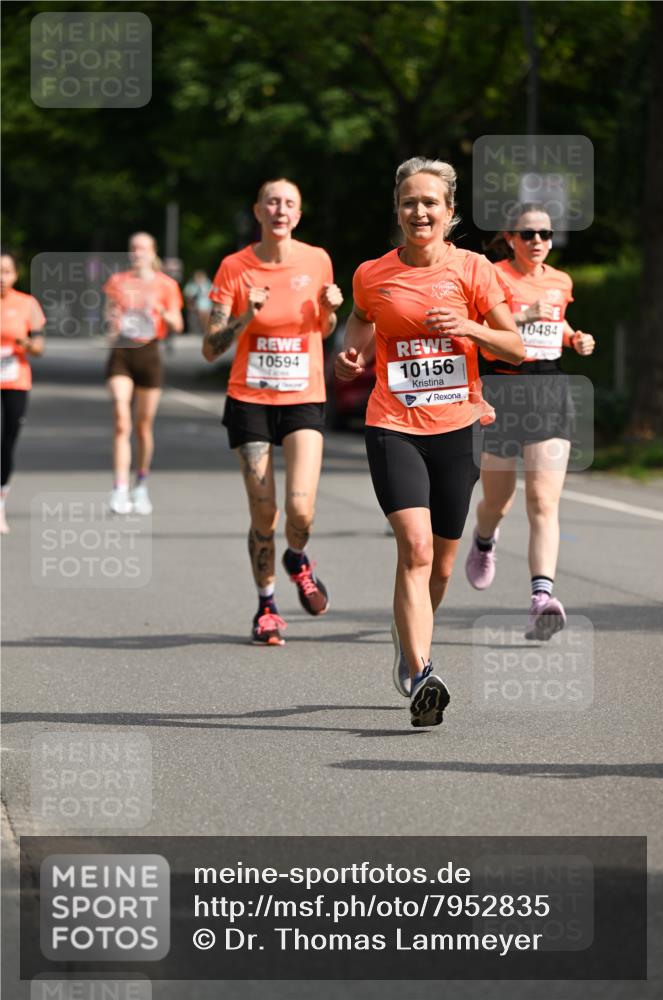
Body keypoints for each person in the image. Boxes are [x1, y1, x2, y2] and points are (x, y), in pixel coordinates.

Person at [335, 157, 524, 727]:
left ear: (449, 212)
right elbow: (360, 323)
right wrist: (352, 356)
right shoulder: (372, 273)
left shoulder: (474, 270)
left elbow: (514, 349)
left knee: (440, 566)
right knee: (414, 548)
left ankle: (406, 633)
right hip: (393, 424)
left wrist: (469, 328)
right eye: (410, 202)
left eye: (430, 203)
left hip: (459, 428)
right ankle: (422, 671)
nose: (420, 212)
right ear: (398, 209)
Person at [202, 178, 343, 646]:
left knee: (300, 511)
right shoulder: (234, 267)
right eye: (272, 202)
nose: (280, 210)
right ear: (258, 211)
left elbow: (322, 329)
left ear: (298, 215)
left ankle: (298, 558)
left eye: (290, 204)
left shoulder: (317, 259)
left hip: (303, 396)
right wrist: (246, 315)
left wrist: (330, 311)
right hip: (251, 400)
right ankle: (266, 607)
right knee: (264, 513)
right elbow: (210, 347)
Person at [464, 204, 595, 639]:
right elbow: (479, 333)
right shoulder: (492, 274)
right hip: (502, 389)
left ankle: (542, 599)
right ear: (510, 237)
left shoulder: (561, 281)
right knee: (497, 502)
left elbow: (556, 322)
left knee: (542, 502)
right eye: (528, 234)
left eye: (545, 233)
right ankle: (485, 539)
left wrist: (574, 337)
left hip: (549, 391)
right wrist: (522, 317)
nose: (537, 240)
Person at [103, 232, 184, 515]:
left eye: (143, 248)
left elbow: (178, 324)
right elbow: (109, 323)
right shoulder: (117, 282)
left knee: (142, 426)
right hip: (122, 353)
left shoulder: (167, 285)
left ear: (153, 252)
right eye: (133, 248)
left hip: (150, 354)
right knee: (121, 420)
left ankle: (141, 484)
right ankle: (119, 488)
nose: (137, 253)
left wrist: (161, 310)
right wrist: (113, 322)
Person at [0, 251, 46, 534]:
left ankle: (1, 502)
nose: (1, 277)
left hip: (15, 381)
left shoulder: (27, 304)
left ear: (15, 275)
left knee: (7, 443)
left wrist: (24, 342)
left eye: (6, 271)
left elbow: (40, 348)